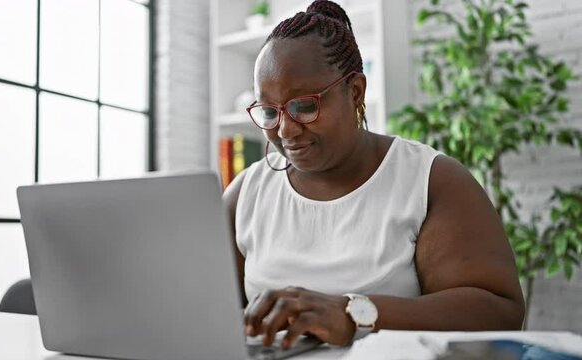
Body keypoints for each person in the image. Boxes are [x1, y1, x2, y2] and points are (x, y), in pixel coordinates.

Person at [222, 0, 525, 350]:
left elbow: (500, 311)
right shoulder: (245, 194)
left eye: (304, 106)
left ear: (355, 92)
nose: (286, 130)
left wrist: (354, 314)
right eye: (269, 112)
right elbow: (201, 312)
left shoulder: (430, 180)